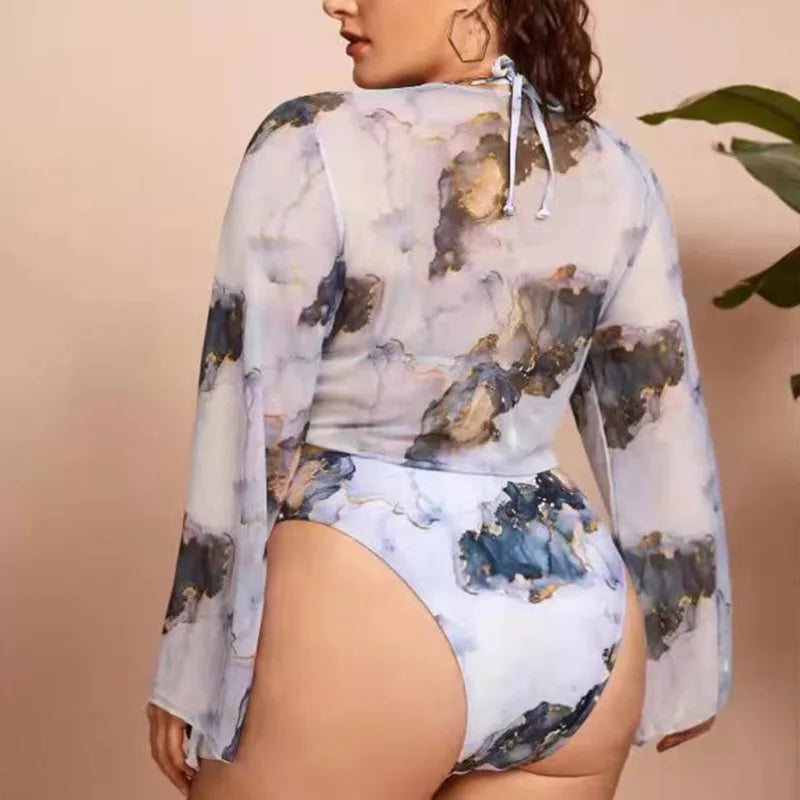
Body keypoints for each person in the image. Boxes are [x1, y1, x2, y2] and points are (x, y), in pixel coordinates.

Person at [145, 0, 733, 797]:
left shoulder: (311, 143)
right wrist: (688, 654)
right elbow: (656, 420)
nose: (337, 2)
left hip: (362, 604)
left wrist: (196, 659)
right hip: (572, 618)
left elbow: (248, 414)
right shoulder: (617, 170)